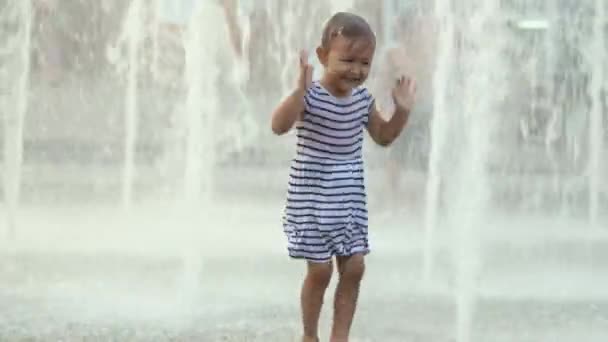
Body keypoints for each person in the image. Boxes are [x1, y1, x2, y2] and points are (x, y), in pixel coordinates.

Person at [270, 12, 416, 342]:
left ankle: (340, 336)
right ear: (323, 57)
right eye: (347, 60)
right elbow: (278, 126)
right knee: (320, 271)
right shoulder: (310, 97)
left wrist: (402, 111)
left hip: (348, 199)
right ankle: (310, 335)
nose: (356, 70)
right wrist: (297, 94)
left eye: (364, 63)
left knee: (354, 269)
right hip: (311, 198)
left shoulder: (363, 101)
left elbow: (383, 136)